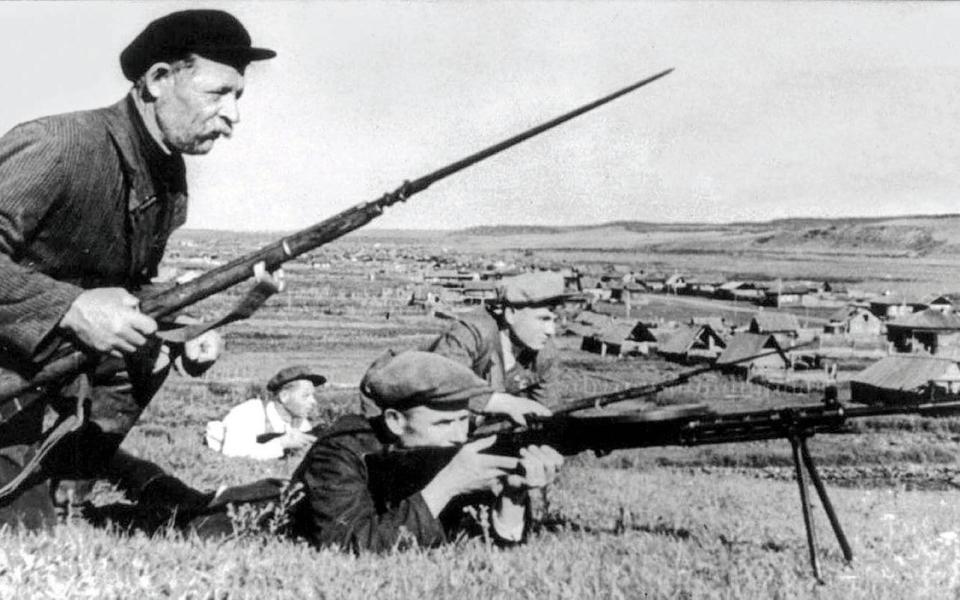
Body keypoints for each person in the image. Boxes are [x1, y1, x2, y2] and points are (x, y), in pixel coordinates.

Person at [0, 9, 275, 529]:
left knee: (144, 346)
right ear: (158, 80)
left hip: (35, 366)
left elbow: (126, 287)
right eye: (219, 93)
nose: (233, 115)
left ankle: (65, 493)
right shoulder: (60, 146)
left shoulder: (169, 175)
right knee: (19, 529)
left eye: (238, 97)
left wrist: (181, 329)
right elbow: (80, 298)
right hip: (11, 369)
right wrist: (71, 307)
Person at [290, 351, 564, 552]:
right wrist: (447, 485)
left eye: (464, 420)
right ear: (395, 421)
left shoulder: (441, 455)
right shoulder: (339, 452)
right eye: (443, 423)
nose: (459, 437)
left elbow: (483, 544)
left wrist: (512, 496)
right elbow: (346, 546)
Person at [425, 271, 575, 411]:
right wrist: (503, 404)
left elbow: (546, 409)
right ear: (510, 314)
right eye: (543, 319)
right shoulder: (472, 334)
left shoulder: (544, 352)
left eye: (554, 320)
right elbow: (441, 385)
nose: (551, 331)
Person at [206, 366, 325, 460]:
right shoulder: (249, 413)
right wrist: (281, 443)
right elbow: (233, 453)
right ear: (284, 396)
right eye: (306, 396)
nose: (313, 401)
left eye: (313, 395)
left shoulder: (302, 423)